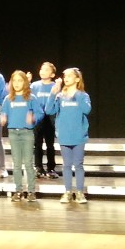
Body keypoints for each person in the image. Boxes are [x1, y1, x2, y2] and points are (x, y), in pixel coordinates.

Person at [45, 67, 92, 204]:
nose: (66, 78)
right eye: (65, 76)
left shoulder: (83, 95)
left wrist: (76, 94)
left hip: (78, 135)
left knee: (78, 165)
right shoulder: (60, 96)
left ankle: (79, 192)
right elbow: (49, 110)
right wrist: (53, 94)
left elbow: (87, 110)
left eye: (69, 76)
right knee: (66, 165)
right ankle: (67, 192)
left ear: (77, 79)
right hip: (64, 135)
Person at [0, 70, 45, 202]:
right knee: (17, 164)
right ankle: (18, 190)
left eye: (20, 80)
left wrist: (33, 118)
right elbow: (3, 112)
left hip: (27, 133)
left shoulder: (30, 98)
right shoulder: (8, 99)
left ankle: (31, 191)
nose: (17, 83)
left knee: (28, 163)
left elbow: (40, 113)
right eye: (14, 81)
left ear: (25, 82)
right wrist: (2, 118)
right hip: (13, 133)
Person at [29, 62, 59, 179]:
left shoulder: (54, 86)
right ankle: (38, 167)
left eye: (46, 70)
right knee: (37, 144)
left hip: (50, 118)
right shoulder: (34, 85)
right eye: (42, 69)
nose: (42, 71)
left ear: (52, 74)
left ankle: (51, 168)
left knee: (50, 144)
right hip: (38, 118)